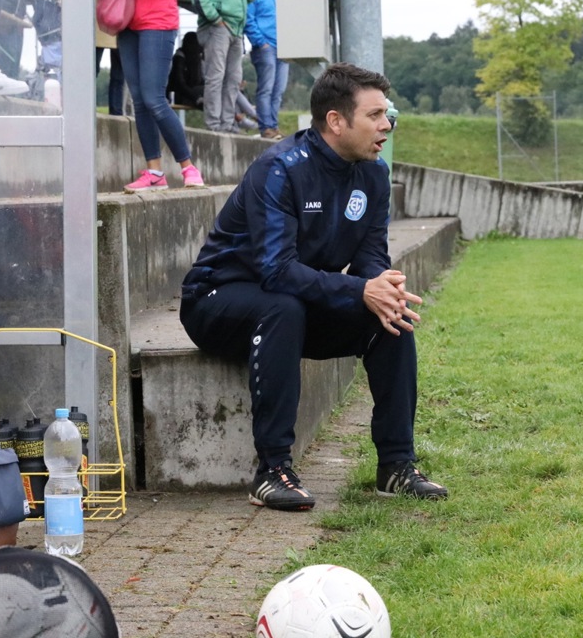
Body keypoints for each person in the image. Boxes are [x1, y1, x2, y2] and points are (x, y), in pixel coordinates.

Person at [180, 63, 449, 511]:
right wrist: (359, 289)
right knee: (282, 306)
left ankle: (397, 465)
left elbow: (370, 260)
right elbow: (275, 270)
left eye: (390, 115)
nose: (387, 125)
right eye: (376, 115)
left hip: (297, 301)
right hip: (216, 300)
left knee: (390, 317)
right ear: (336, 121)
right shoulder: (280, 170)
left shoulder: (374, 175)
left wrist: (382, 288)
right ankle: (272, 470)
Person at [98, 0, 204, 192]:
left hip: (157, 21)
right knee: (141, 103)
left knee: (155, 99)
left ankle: (188, 168)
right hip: (129, 22)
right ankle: (154, 172)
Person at [191, 0, 250, 134]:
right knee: (216, 76)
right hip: (217, 27)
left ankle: (227, 123)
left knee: (233, 78)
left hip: (236, 28)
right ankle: (214, 125)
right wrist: (216, 20)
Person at [245, 0, 288, 140]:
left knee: (278, 89)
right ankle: (267, 127)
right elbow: (249, 19)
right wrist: (260, 41)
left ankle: (274, 126)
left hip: (283, 46)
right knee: (266, 88)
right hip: (266, 47)